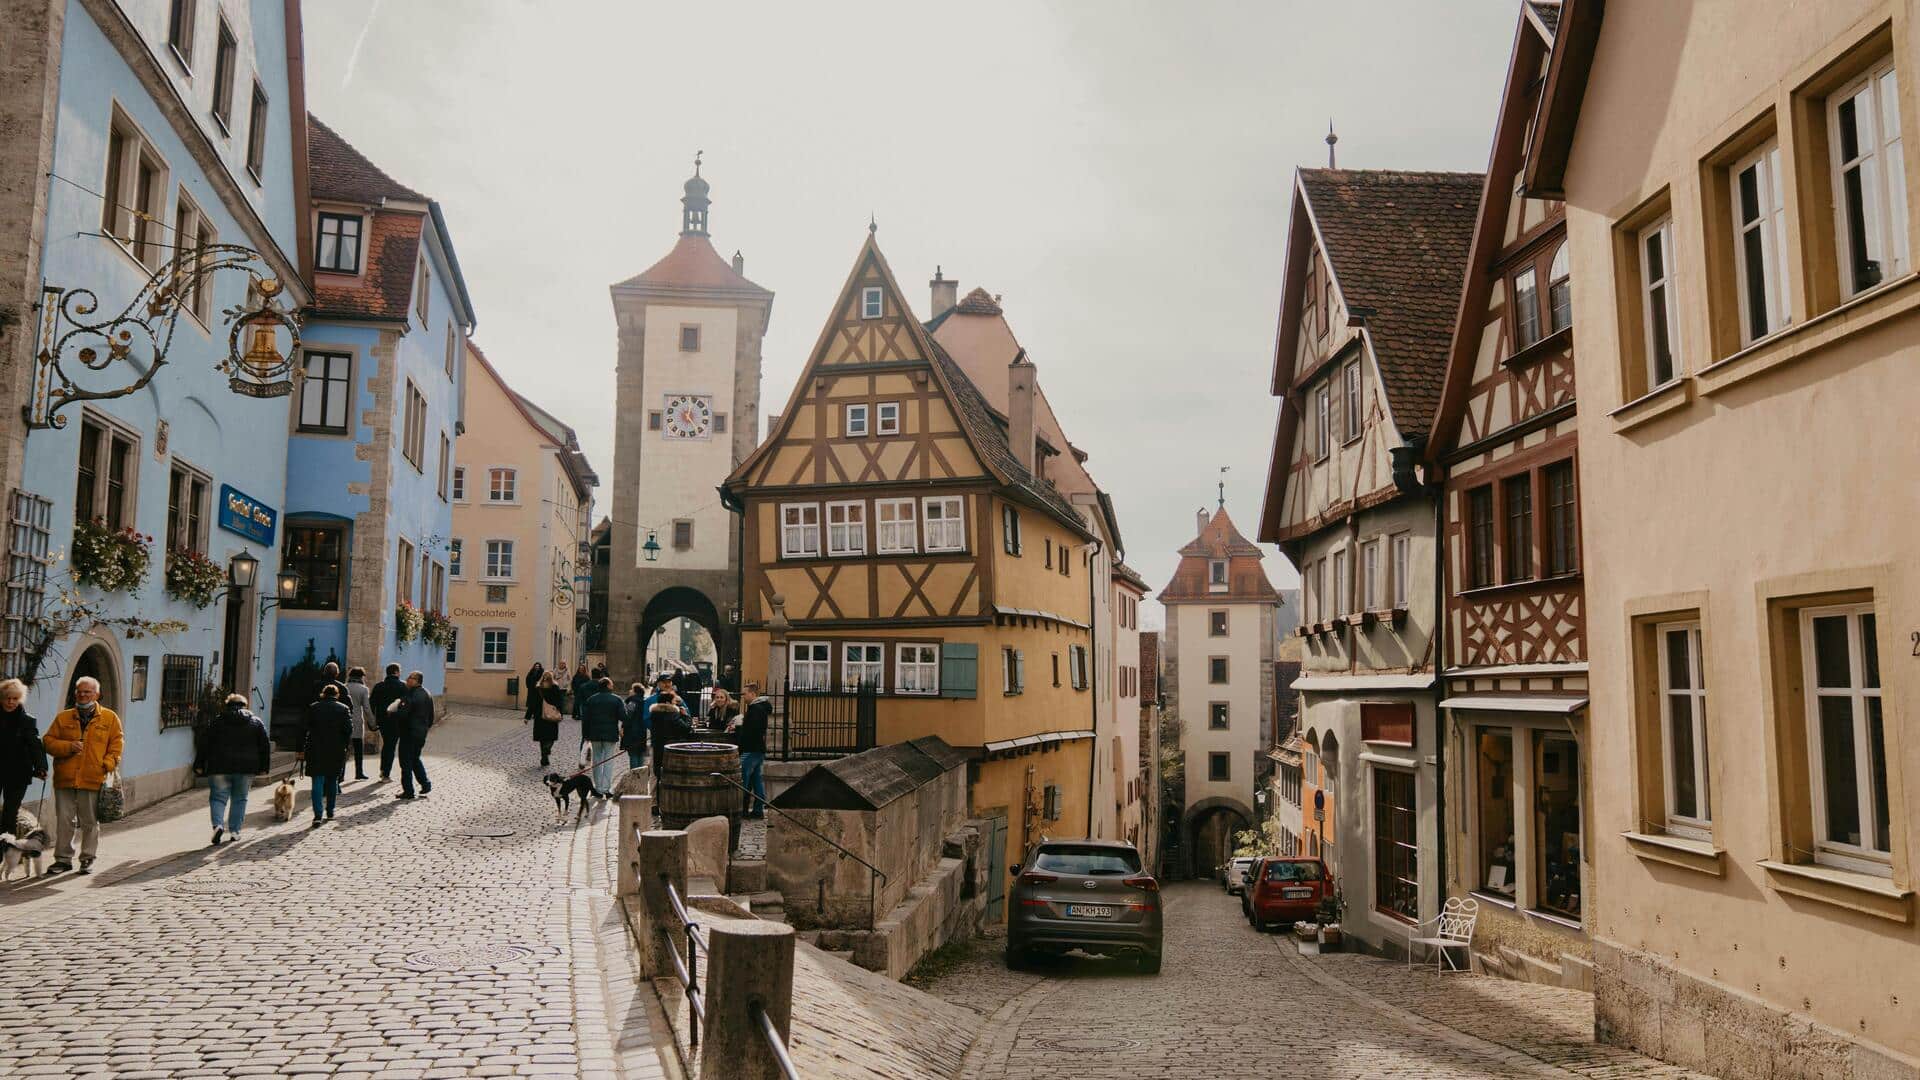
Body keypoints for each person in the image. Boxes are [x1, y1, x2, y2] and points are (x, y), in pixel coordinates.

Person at [41, 675, 123, 874]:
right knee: (64, 820)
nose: (83, 695)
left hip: (93, 778)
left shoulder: (110, 718)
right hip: (65, 778)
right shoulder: (64, 717)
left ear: (97, 694)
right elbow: (48, 741)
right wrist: (68, 746)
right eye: (80, 691)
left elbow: (116, 744)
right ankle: (62, 859)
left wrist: (107, 764)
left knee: (89, 821)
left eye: (87, 692)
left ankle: (87, 858)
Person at [195, 693, 270, 845]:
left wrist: (199, 764)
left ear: (227, 705)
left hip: (219, 766)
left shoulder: (216, 722)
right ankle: (235, 831)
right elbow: (264, 746)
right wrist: (264, 767)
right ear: (245, 705)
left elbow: (204, 744)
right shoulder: (256, 722)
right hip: (246, 768)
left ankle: (218, 825)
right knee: (240, 799)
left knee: (218, 798)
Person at [0, 678, 47, 838]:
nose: (11, 702)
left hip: (18, 772)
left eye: (15, 698)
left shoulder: (27, 720)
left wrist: (41, 767)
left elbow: (35, 745)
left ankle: (6, 851)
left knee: (10, 813)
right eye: (7, 698)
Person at [301, 685, 353, 826]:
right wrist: (345, 746)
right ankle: (330, 811)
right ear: (336, 695)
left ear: (323, 694)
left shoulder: (314, 707)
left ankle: (318, 815)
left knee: (317, 782)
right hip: (335, 749)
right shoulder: (343, 709)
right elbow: (348, 730)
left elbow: (304, 728)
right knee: (332, 780)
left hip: (316, 748)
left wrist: (301, 748)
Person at [579, 677, 626, 796]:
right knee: (608, 761)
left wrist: (585, 735)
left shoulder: (591, 699)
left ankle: (598, 788)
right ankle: (606, 788)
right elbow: (623, 717)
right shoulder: (616, 699)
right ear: (609, 686)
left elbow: (585, 719)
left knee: (597, 761)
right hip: (610, 734)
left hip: (594, 734)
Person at [392, 670, 435, 799]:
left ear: (417, 681)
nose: (408, 679)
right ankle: (425, 784)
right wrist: (425, 728)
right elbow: (431, 716)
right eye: (409, 677)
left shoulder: (410, 695)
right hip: (420, 733)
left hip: (409, 732)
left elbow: (404, 714)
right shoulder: (427, 693)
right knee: (415, 759)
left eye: (411, 678)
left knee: (405, 762)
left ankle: (408, 791)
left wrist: (393, 713)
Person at [735, 683, 771, 819]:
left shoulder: (755, 709)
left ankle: (741, 809)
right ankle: (758, 810)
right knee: (756, 781)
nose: (744, 696)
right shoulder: (760, 708)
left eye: (745, 694)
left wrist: (742, 735)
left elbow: (753, 731)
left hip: (751, 749)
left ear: (753, 694)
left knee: (742, 780)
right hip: (758, 749)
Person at [369, 663, 406, 781]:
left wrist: (374, 720)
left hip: (382, 720)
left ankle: (383, 770)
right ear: (396, 672)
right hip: (396, 721)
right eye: (399, 671)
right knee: (390, 746)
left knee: (387, 744)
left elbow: (371, 704)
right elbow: (406, 704)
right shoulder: (402, 686)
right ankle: (385, 773)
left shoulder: (379, 686)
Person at [647, 688, 692, 769]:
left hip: (657, 745)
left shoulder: (654, 714)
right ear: (668, 702)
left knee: (658, 767)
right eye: (674, 701)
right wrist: (686, 716)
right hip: (671, 747)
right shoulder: (672, 714)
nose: (676, 703)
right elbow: (685, 728)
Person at [344, 667, 372, 781]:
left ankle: (341, 775)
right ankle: (359, 772)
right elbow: (366, 707)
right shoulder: (363, 689)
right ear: (361, 676)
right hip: (357, 721)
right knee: (358, 748)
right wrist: (372, 722)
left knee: (344, 748)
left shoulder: (344, 687)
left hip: (345, 720)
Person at [621, 682, 649, 770]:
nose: (630, 690)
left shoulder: (632, 702)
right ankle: (641, 777)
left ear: (635, 692)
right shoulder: (645, 702)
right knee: (640, 753)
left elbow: (628, 716)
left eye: (631, 689)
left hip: (632, 731)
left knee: (633, 754)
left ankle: (634, 776)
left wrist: (622, 728)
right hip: (642, 731)